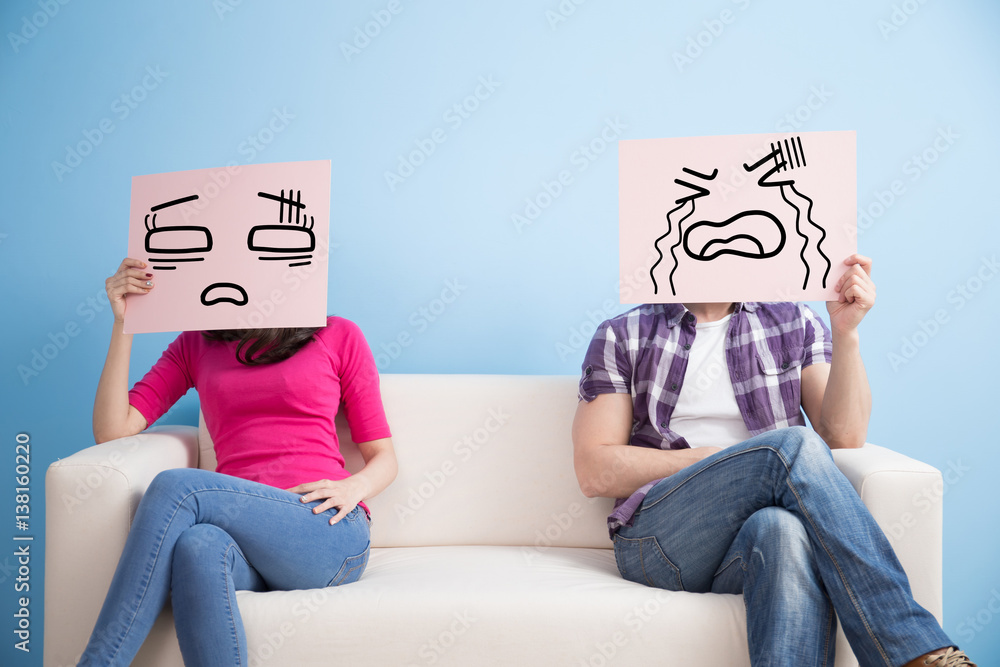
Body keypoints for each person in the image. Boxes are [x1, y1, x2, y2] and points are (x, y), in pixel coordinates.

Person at [572, 255, 975, 667]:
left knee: (781, 530)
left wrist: (846, 333)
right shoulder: (624, 334)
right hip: (661, 539)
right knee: (790, 446)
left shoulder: (794, 322)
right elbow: (594, 470)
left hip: (750, 536)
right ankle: (915, 650)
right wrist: (714, 461)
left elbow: (844, 436)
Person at [79, 258, 398, 666]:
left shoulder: (338, 334)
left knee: (176, 486)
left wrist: (353, 488)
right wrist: (125, 324)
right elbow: (112, 430)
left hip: (323, 527)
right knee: (198, 546)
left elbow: (384, 457)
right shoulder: (197, 343)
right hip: (241, 538)